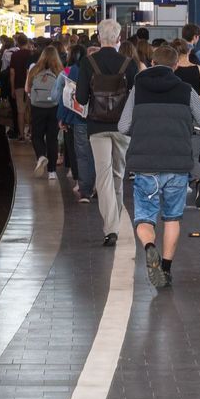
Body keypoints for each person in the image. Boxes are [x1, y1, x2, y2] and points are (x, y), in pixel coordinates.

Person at [119, 45, 200, 289]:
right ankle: (165, 270)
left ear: (152, 62)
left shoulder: (138, 89)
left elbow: (123, 126)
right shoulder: (185, 90)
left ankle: (149, 247)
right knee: (172, 218)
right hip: (177, 164)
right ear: (176, 66)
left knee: (145, 217)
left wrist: (143, 129)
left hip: (145, 165)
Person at [76, 18, 139, 247]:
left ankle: (110, 228)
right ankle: (116, 224)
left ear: (99, 37)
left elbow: (82, 98)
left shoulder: (88, 62)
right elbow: (136, 96)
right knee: (118, 176)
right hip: (123, 127)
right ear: (119, 39)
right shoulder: (129, 63)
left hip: (97, 127)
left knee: (103, 177)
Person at [54, 44, 96, 202]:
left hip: (80, 119)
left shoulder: (74, 70)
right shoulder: (107, 68)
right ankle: (99, 187)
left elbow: (68, 97)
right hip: (103, 120)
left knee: (83, 155)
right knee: (101, 156)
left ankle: (85, 190)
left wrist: (62, 118)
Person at [26, 46, 64, 179]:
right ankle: (52, 172)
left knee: (37, 135)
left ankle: (41, 156)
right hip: (54, 107)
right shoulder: (60, 71)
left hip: (37, 107)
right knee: (52, 139)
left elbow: (27, 89)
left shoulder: (34, 70)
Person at [171, 38, 200, 179]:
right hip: (195, 115)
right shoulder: (199, 69)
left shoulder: (172, 70)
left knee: (176, 154)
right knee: (194, 157)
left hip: (175, 116)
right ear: (189, 50)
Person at [9, 34, 35, 141]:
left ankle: (21, 135)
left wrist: (12, 88)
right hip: (31, 86)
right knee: (32, 110)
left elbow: (12, 73)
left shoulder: (15, 55)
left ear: (18, 43)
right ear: (27, 43)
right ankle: (32, 133)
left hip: (19, 85)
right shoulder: (32, 54)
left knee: (21, 111)